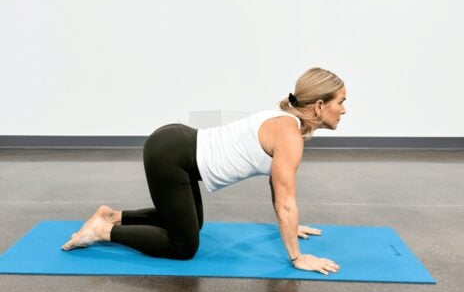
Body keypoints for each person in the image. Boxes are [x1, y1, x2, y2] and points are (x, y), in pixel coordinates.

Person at [61, 67, 347, 275]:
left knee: (191, 224)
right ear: (320, 106)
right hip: (171, 156)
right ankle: (104, 231)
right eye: (340, 102)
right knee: (183, 246)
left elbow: (278, 182)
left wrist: (292, 227)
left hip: (176, 145)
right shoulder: (289, 135)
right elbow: (284, 202)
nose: (344, 110)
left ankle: (113, 215)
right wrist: (297, 257)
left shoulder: (284, 122)